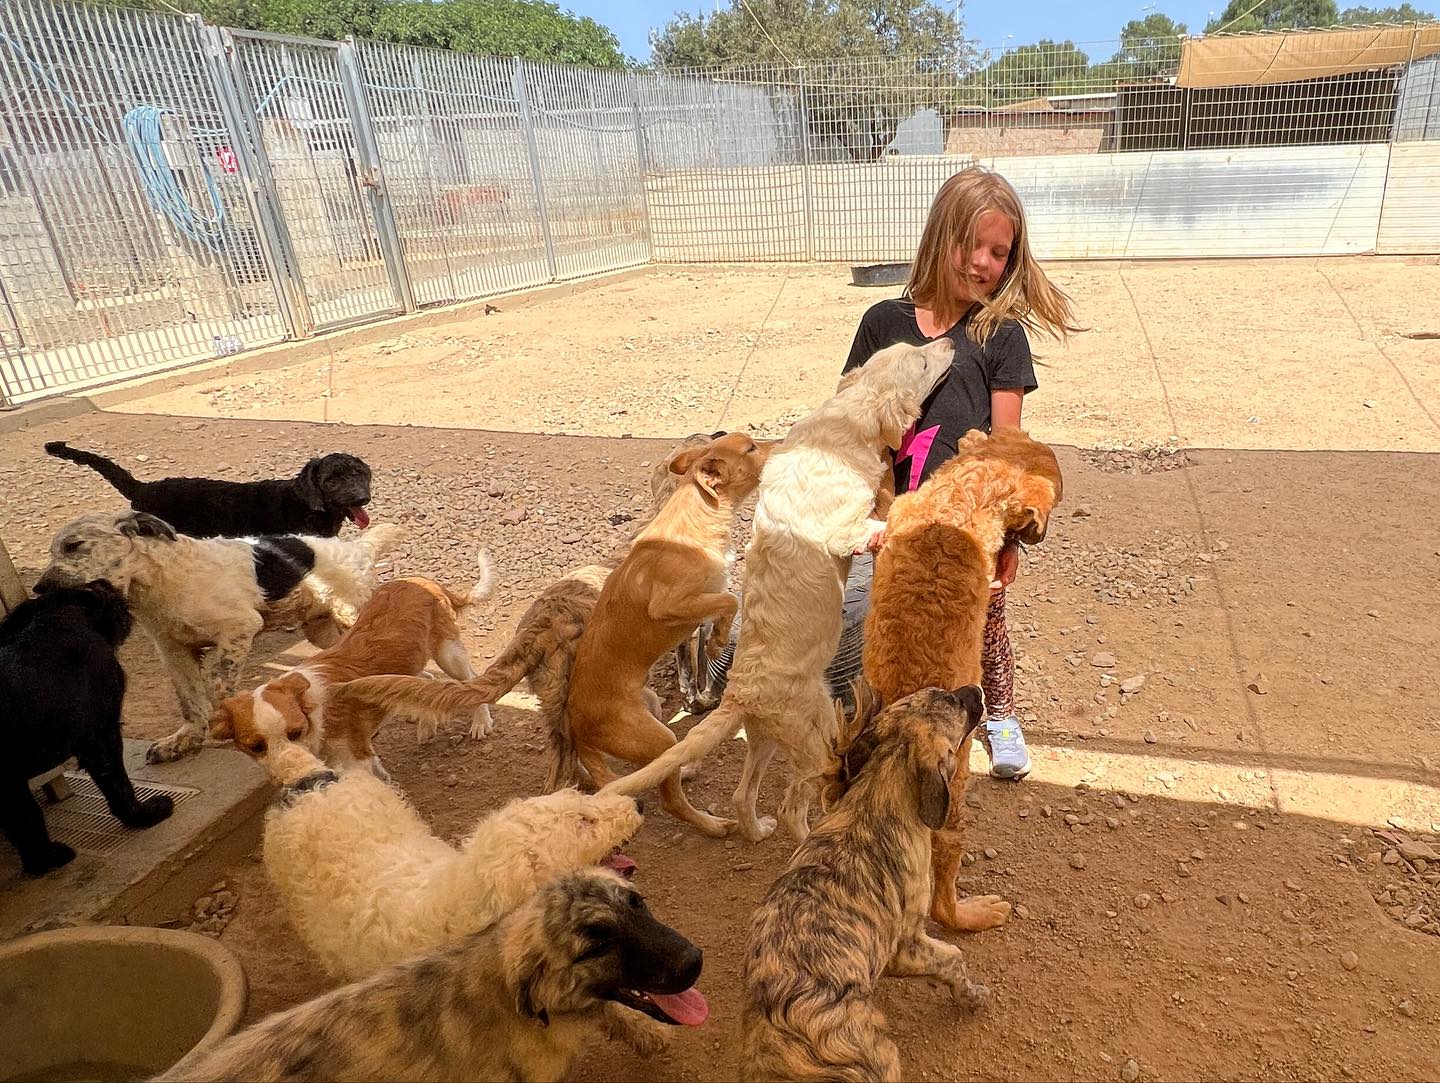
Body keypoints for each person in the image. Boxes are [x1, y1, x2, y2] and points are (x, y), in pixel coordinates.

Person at [707, 165, 1079, 780]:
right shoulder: (884, 322)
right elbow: (847, 413)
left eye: (999, 253)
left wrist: (1009, 540)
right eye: (972, 244)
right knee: (865, 623)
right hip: (882, 517)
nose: (984, 263)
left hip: (958, 524)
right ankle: (823, 703)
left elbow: (1007, 449)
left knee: (978, 618)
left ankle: (998, 715)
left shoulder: (1001, 335)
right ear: (940, 235)